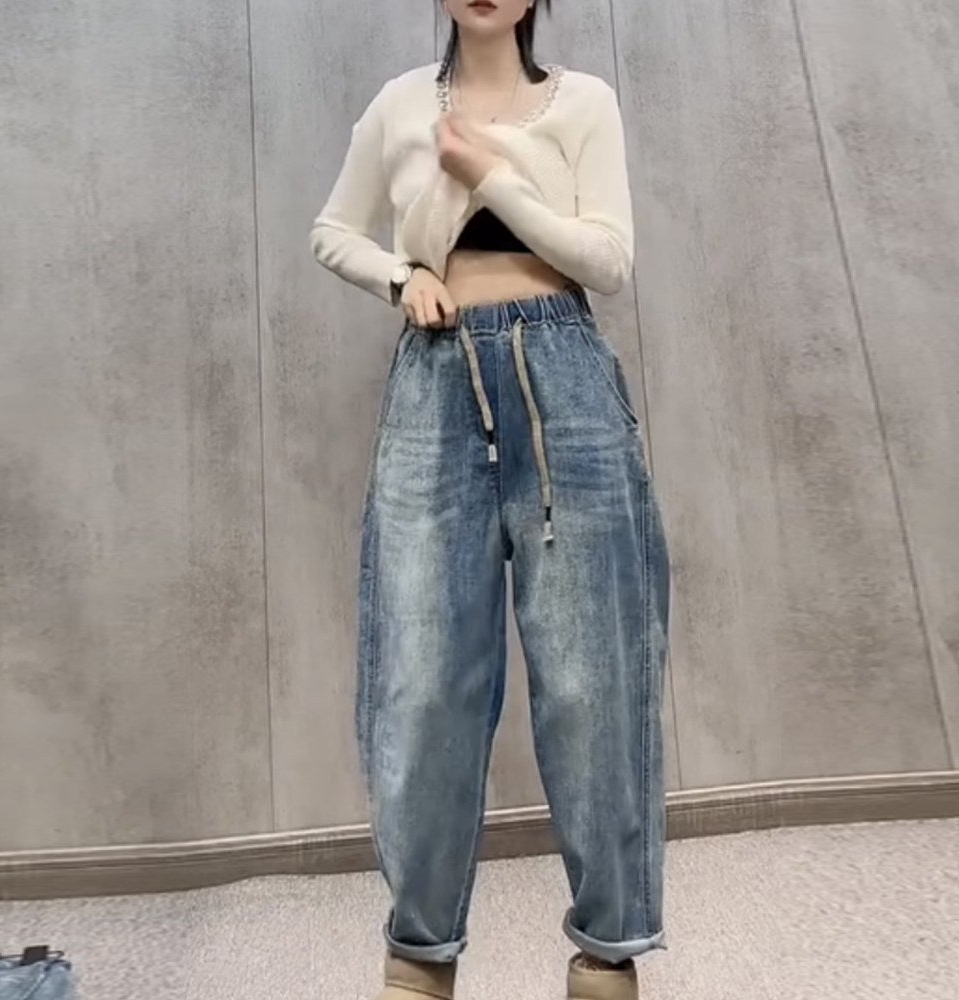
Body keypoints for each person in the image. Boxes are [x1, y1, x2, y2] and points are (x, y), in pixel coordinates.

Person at [310, 2, 670, 998]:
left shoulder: (583, 103)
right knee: (424, 683)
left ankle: (608, 956)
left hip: (566, 385)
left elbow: (607, 262)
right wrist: (398, 277)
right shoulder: (398, 106)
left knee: (593, 681)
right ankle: (419, 958)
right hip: (435, 384)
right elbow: (333, 231)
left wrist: (489, 175)